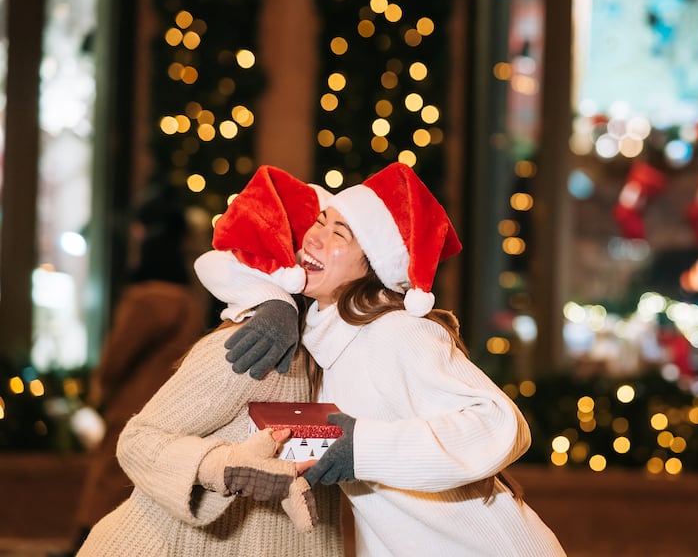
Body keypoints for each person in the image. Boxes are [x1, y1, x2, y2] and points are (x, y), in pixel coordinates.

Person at [226, 162, 566, 556]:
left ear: (373, 265)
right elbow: (225, 257)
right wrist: (275, 303)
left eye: (340, 233)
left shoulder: (396, 331)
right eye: (319, 222)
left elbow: (498, 424)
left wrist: (362, 449)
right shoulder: (320, 336)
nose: (315, 238)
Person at [76, 166, 344, 556]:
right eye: (321, 231)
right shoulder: (257, 347)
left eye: (342, 235)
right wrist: (228, 466)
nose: (325, 243)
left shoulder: (340, 353)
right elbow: (137, 440)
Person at [70, 184, 207, 550]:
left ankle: (85, 546)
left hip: (130, 403)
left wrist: (101, 388)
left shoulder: (147, 298)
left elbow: (117, 357)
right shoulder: (187, 297)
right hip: (169, 403)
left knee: (108, 483)